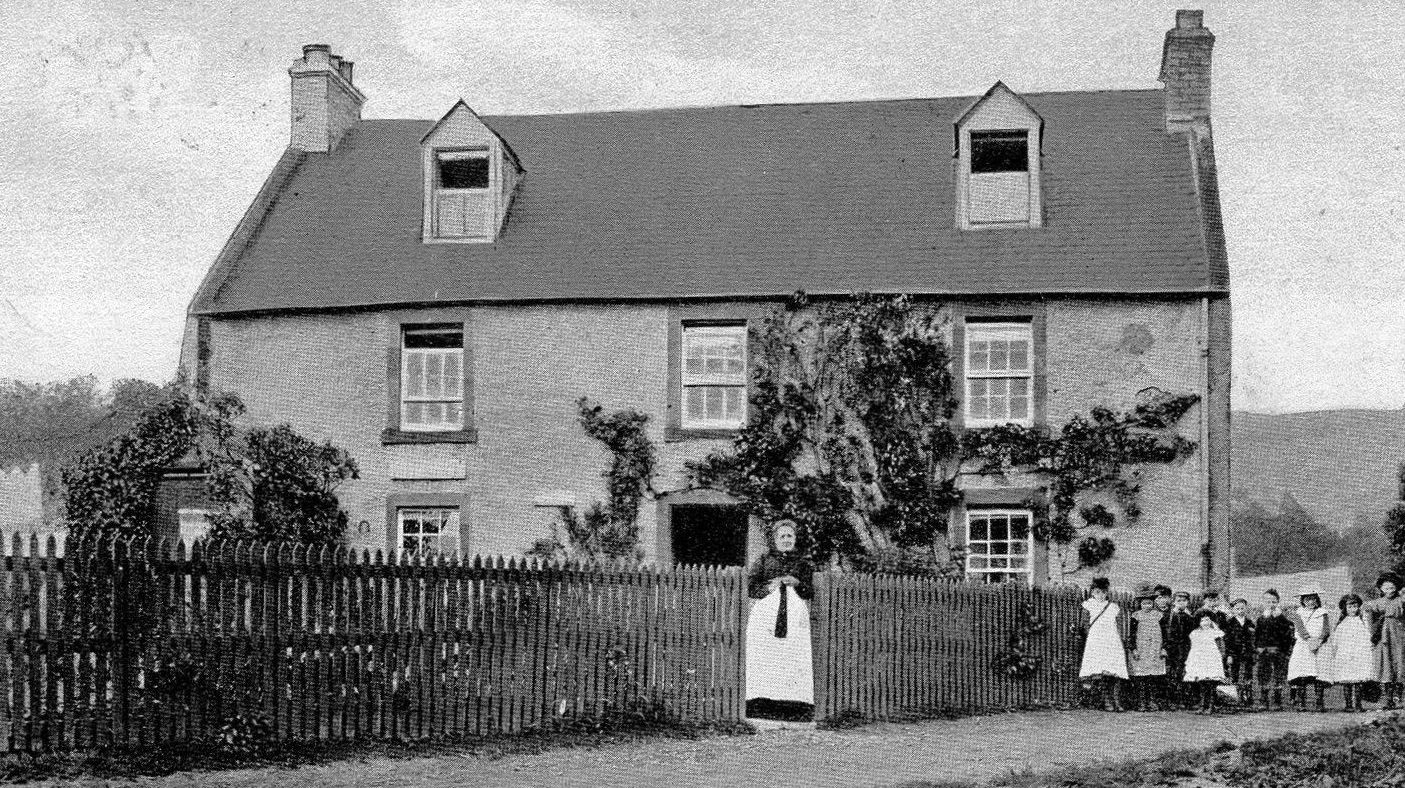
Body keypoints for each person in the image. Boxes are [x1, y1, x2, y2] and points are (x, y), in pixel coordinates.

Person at [744, 520, 816, 716]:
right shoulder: (764, 560)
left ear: (795, 539)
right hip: (766, 617)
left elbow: (809, 591)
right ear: (774, 540)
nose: (786, 540)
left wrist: (797, 582)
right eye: (782, 536)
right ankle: (761, 705)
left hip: (794, 618)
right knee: (767, 658)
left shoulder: (802, 563)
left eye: (789, 536)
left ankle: (793, 707)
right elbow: (750, 587)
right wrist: (769, 587)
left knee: (792, 658)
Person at [1078, 577, 1128, 711]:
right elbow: (1084, 625)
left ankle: (1117, 701)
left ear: (1107, 593)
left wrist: (1121, 638)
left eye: (1103, 592)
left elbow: (1120, 625)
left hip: (1112, 640)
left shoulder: (1113, 607)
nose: (1100, 595)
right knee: (1102, 672)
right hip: (1097, 641)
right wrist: (1093, 636)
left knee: (1115, 671)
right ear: (1092, 592)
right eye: (1097, 592)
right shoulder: (1088, 605)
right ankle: (1107, 701)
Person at [1287, 586, 1333, 712]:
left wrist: (1320, 639)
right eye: (1307, 599)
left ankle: (1319, 702)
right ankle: (1301, 702)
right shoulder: (1298, 613)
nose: (1311, 602)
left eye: (1313, 599)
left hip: (1320, 645)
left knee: (1319, 674)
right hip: (1304, 646)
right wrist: (1309, 639)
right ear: (1303, 601)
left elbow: (1326, 629)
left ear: (1317, 599)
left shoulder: (1323, 613)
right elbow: (1300, 628)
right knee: (1303, 674)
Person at [1364, 571, 1405, 709]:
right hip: (1383, 637)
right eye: (1386, 588)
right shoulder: (1377, 603)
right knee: (1386, 664)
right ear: (1381, 589)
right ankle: (1388, 699)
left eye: (1392, 588)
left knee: (1399, 664)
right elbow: (1367, 611)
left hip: (1399, 636)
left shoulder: (1401, 600)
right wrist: (1372, 629)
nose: (1389, 591)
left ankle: (1399, 696)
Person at [1331, 593, 1373, 712]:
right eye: (1350, 607)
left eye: (1355, 606)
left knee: (1358, 679)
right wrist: (1336, 651)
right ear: (1345, 608)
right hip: (1345, 654)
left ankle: (1358, 704)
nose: (1353, 609)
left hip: (1359, 653)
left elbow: (1367, 636)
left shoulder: (1362, 621)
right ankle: (1348, 705)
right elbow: (1336, 640)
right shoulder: (1342, 623)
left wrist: (1366, 649)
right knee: (1347, 680)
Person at [1127, 585, 1167, 711]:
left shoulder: (1159, 615)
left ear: (1153, 603)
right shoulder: (1136, 616)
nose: (1147, 606)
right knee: (1141, 677)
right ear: (1140, 604)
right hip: (1141, 649)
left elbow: (1165, 633)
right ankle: (1141, 702)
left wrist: (1164, 648)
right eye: (1144, 603)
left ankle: (1152, 701)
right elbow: (1131, 635)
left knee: (1153, 677)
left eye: (1149, 603)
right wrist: (1133, 649)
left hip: (1155, 649)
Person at [1183, 610, 1227, 714]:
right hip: (1200, 659)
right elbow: (1193, 647)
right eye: (1202, 620)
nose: (1205, 622)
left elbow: (1221, 647)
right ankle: (1202, 705)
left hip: (1212, 659)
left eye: (1207, 620)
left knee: (1211, 684)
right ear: (1199, 622)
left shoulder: (1215, 632)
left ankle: (1210, 706)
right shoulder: (1195, 633)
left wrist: (1221, 657)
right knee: (1202, 683)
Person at [1162, 590, 1196, 708]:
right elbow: (1164, 633)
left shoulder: (1189, 617)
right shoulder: (1168, 616)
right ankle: (1171, 700)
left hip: (1185, 649)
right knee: (1171, 673)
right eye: (1179, 601)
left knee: (1183, 673)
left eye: (1184, 601)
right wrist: (1165, 647)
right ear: (1174, 602)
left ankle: (1182, 700)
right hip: (1172, 649)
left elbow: (1192, 634)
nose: (1181, 603)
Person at [1221, 598, 1256, 708]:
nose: (1240, 611)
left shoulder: (1250, 622)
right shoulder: (1229, 623)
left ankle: (1248, 697)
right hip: (1234, 652)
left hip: (1248, 653)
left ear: (1246, 608)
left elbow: (1253, 638)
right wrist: (1229, 655)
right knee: (1235, 674)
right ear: (1233, 610)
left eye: (1242, 608)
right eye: (1237, 608)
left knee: (1248, 674)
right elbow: (1227, 641)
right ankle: (1237, 698)